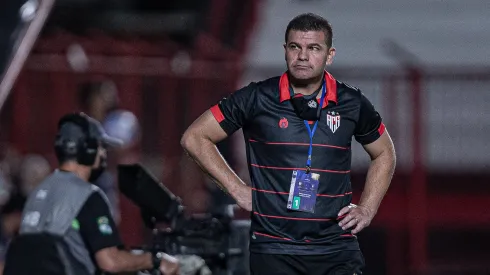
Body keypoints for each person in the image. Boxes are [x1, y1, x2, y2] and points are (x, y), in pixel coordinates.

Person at [181, 13, 396, 275]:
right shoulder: (257, 98)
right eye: (296, 47)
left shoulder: (351, 102)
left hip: (336, 248)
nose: (303, 56)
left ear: (329, 55)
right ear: (285, 51)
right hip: (274, 249)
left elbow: (384, 152)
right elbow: (194, 137)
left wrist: (368, 208)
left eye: (314, 48)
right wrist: (236, 189)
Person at [3, 112, 179, 275]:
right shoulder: (87, 195)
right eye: (101, 147)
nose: (103, 154)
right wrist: (156, 260)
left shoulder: (38, 192)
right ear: (88, 149)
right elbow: (110, 261)